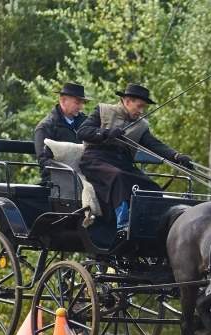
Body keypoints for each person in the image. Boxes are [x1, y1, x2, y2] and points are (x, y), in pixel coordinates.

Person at [76, 83, 194, 230]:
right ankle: (123, 222)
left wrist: (177, 156)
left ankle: (152, 225)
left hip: (122, 163)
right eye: (139, 106)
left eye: (143, 107)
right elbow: (82, 132)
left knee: (152, 187)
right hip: (95, 159)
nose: (141, 111)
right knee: (118, 177)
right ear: (127, 101)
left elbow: (155, 145)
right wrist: (106, 133)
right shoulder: (103, 110)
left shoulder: (142, 125)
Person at [33, 82, 91, 181]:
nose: (81, 107)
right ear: (63, 101)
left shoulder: (85, 122)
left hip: (85, 174)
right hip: (58, 180)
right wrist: (70, 172)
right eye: (77, 103)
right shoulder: (45, 127)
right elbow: (44, 162)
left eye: (82, 103)